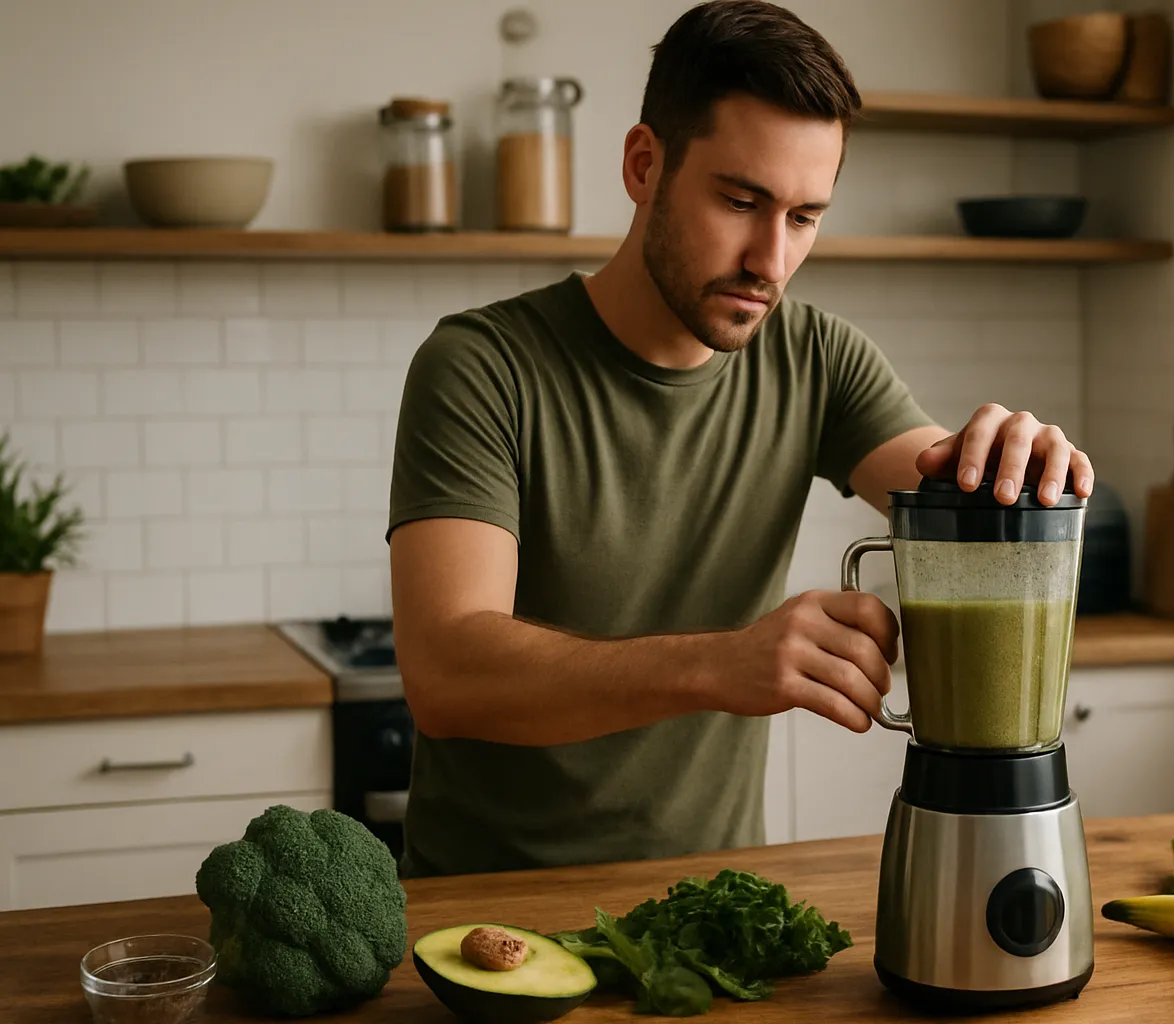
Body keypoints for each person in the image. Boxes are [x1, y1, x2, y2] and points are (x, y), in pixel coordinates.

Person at [386, 0, 1093, 879]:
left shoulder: (819, 358)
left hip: (711, 908)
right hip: (488, 912)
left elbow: (950, 481)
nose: (771, 259)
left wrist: (1015, 457)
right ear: (645, 165)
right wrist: (721, 664)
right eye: (740, 201)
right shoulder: (481, 366)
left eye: (803, 217)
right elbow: (446, 674)